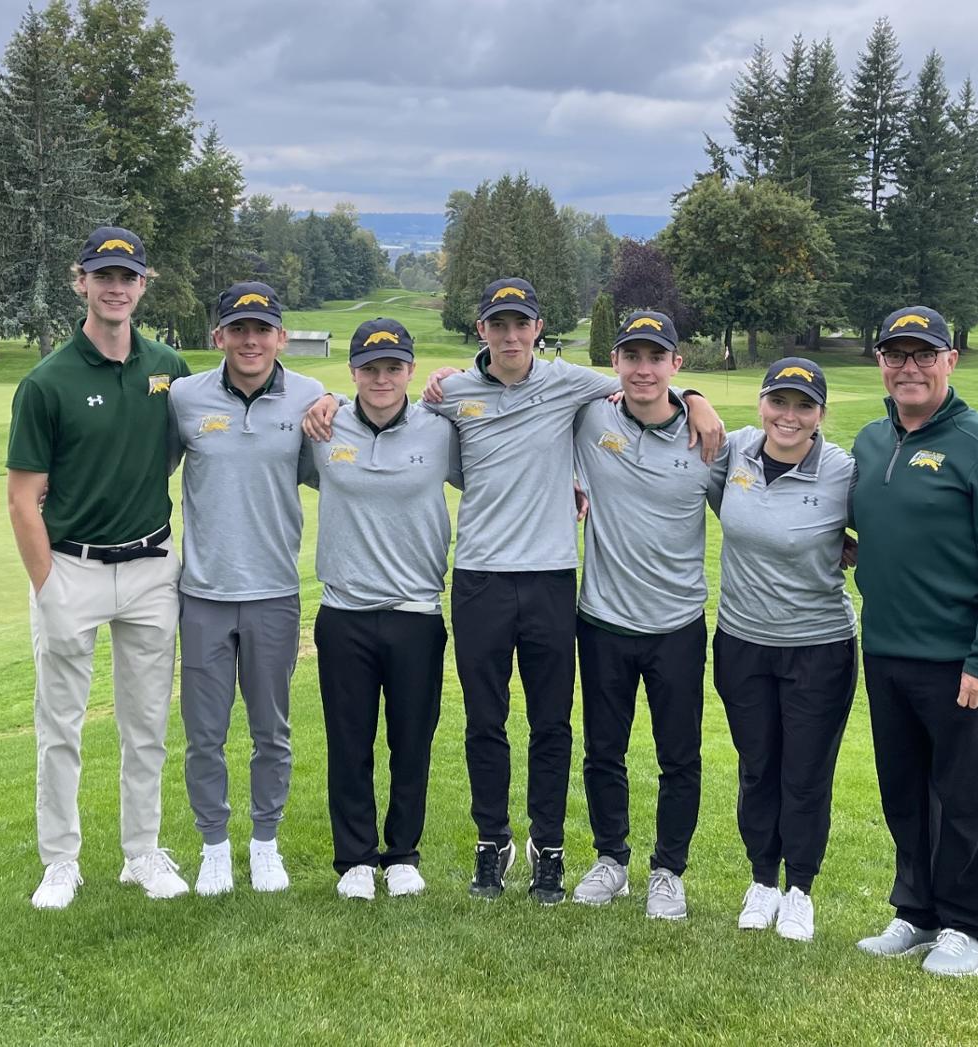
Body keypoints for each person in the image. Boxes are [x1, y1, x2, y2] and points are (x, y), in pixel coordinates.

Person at [304, 276, 724, 904]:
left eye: (519, 323)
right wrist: (331, 397)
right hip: (478, 579)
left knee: (552, 724)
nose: (509, 335)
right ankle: (492, 840)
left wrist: (698, 398)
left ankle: (548, 847)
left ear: (537, 328)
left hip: (552, 579)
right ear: (482, 331)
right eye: (497, 324)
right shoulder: (453, 394)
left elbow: (644, 385)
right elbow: (391, 407)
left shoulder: (570, 383)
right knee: (486, 721)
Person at [6, 226, 192, 909]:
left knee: (146, 724)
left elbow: (186, 442)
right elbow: (23, 500)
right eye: (103, 275)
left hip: (150, 567)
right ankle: (61, 860)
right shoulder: (46, 382)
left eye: (128, 276)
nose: (116, 288)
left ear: (145, 284)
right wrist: (46, 585)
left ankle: (141, 852)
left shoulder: (169, 365)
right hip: (71, 568)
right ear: (79, 281)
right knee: (61, 725)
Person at [851, 305, 978, 977]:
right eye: (896, 355)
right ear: (881, 364)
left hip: (962, 660)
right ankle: (918, 911)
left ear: (950, 360)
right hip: (888, 650)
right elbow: (867, 516)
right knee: (904, 791)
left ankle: (968, 927)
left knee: (963, 797)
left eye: (924, 354)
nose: (909, 367)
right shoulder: (872, 441)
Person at [166, 281, 325, 896]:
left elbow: (334, 465)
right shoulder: (185, 397)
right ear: (219, 337)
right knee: (204, 733)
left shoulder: (312, 396)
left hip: (274, 593)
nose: (250, 340)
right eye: (238, 329)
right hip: (202, 594)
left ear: (281, 338)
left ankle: (265, 843)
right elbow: (142, 468)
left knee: (270, 732)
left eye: (262, 330)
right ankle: (212, 846)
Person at [569, 311, 725, 921]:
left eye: (655, 357)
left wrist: (699, 402)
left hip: (677, 625)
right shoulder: (590, 419)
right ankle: (611, 859)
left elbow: (757, 495)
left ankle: (667, 871)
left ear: (675, 364)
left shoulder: (710, 440)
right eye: (631, 356)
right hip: (603, 619)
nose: (642, 368)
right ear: (616, 363)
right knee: (603, 749)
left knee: (679, 755)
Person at [301, 318, 462, 900]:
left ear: (411, 371)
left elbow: (503, 462)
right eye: (370, 368)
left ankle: (402, 853)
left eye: (393, 367)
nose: (382, 378)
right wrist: (324, 399)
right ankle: (356, 860)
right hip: (344, 610)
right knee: (349, 740)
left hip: (416, 610)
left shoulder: (440, 429)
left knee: (412, 738)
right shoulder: (324, 425)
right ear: (352, 373)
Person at [709, 357, 858, 943]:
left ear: (821, 414)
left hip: (818, 647)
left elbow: (895, 527)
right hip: (742, 641)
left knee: (805, 773)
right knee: (758, 767)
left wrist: (851, 544)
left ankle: (800, 890)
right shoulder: (736, 450)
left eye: (804, 405)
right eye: (779, 401)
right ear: (761, 402)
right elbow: (671, 421)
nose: (788, 416)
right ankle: (762, 880)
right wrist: (694, 394)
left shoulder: (843, 470)